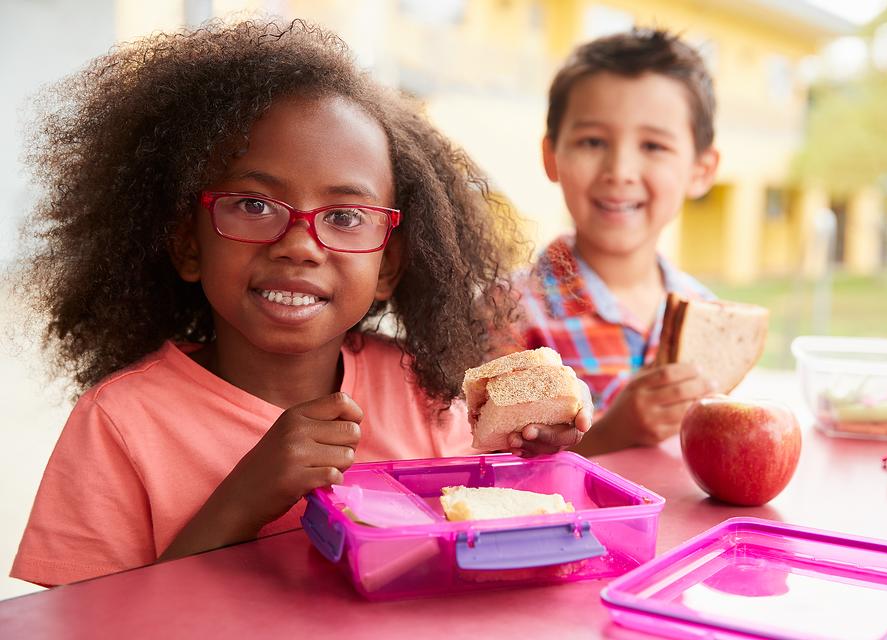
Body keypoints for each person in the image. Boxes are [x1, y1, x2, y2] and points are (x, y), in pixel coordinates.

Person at [10, 19, 589, 588]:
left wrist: (533, 460)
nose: (298, 245)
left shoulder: (419, 392)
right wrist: (240, 503)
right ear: (189, 244)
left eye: (343, 217)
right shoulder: (120, 423)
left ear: (386, 265)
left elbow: (484, 550)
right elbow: (90, 626)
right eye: (254, 205)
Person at [512, 28, 721, 455]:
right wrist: (613, 432)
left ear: (701, 170)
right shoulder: (509, 311)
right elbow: (494, 467)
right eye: (592, 142)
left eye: (653, 145)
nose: (620, 170)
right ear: (552, 157)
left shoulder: (708, 313)